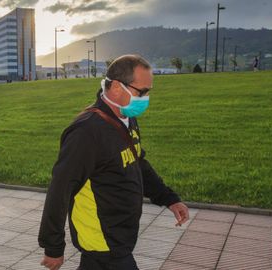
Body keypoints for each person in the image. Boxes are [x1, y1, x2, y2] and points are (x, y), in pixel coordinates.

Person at [38, 55, 189, 270]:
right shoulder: (87, 132)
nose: (145, 98)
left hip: (120, 236)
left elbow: (138, 162)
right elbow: (60, 189)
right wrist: (53, 247)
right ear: (118, 87)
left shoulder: (126, 118)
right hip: (103, 240)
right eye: (142, 92)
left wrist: (169, 199)